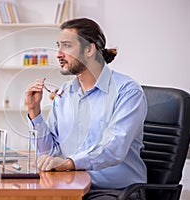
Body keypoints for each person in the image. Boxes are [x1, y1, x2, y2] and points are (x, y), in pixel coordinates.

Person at [25, 18, 147, 200]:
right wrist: (34, 112)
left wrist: (69, 164)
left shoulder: (128, 92)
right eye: (58, 46)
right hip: (70, 186)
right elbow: (51, 153)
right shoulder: (65, 93)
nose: (58, 54)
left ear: (89, 49)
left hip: (116, 192)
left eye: (66, 46)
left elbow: (114, 148)